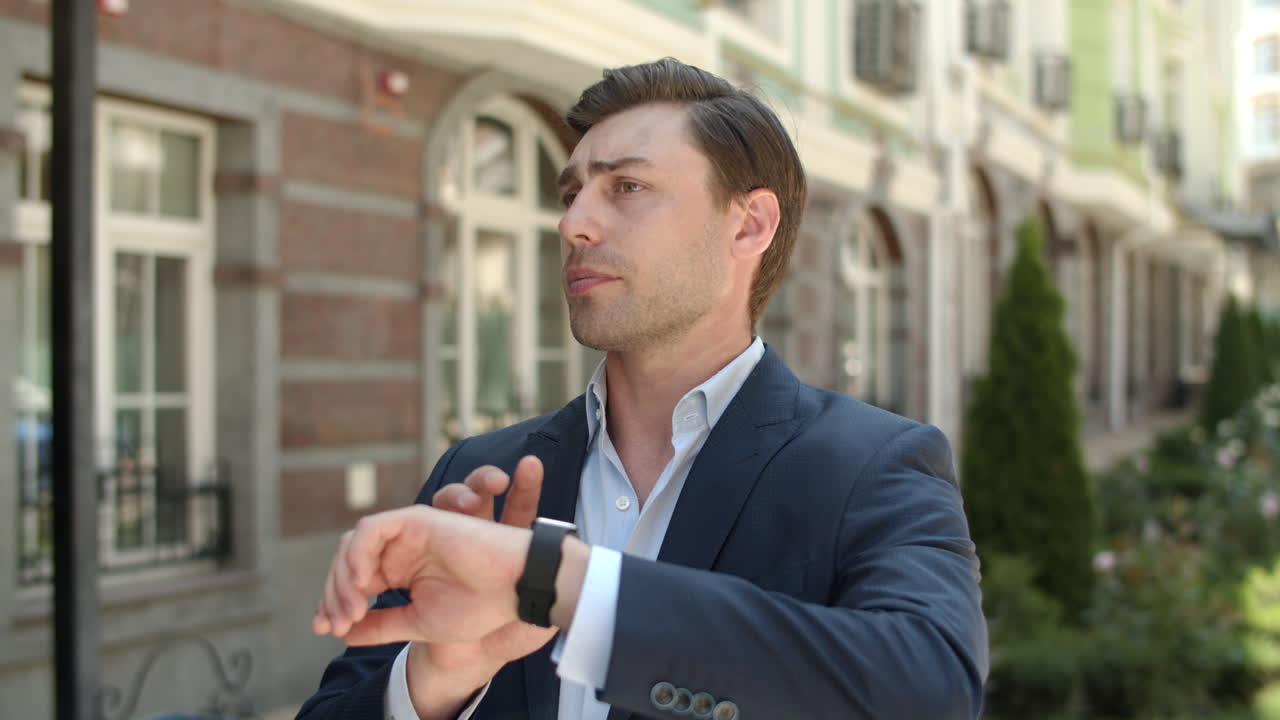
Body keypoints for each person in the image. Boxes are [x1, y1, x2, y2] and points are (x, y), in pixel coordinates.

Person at [298, 57, 988, 720]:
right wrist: (438, 678)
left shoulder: (872, 466)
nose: (572, 224)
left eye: (626, 187)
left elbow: (930, 691)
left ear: (749, 224)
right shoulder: (483, 475)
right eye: (570, 194)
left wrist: (556, 583)